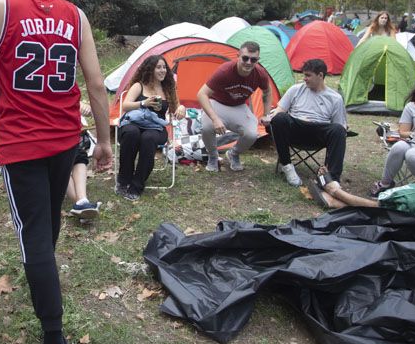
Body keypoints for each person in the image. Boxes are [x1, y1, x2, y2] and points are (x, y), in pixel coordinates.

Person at [0, 0, 112, 344]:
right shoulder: (77, 15)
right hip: (65, 140)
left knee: (36, 234)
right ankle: (44, 279)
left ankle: (54, 336)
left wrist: (7, 118)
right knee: (47, 222)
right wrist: (105, 141)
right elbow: (95, 85)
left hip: (22, 144)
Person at [265, 58, 348, 187]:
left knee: (338, 130)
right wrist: (269, 119)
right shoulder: (296, 89)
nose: (304, 78)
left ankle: (332, 178)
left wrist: (340, 129)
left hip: (318, 134)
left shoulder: (335, 98)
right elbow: (280, 110)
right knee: (280, 118)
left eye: (308, 75)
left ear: (320, 75)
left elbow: (338, 125)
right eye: (304, 75)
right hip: (295, 131)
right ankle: (287, 166)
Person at [116, 55, 185, 200]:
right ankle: (124, 180)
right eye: (158, 67)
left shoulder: (168, 89)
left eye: (164, 67)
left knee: (148, 138)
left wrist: (181, 109)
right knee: (131, 133)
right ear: (150, 69)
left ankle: (136, 185)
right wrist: (143, 103)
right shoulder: (139, 86)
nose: (162, 71)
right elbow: (126, 105)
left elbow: (176, 108)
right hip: (133, 123)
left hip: (156, 127)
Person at [196, 41, 272, 173]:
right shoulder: (225, 71)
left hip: (239, 106)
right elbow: (202, 94)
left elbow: (267, 92)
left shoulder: (260, 74)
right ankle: (213, 156)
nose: (248, 62)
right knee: (207, 127)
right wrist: (215, 119)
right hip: (218, 103)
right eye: (245, 58)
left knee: (252, 134)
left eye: (253, 59)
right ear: (238, 56)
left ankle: (233, 153)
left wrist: (266, 114)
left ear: (257, 60)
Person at [66, 103, 101, 220]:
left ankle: (82, 201)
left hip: (66, 133)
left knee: (78, 154)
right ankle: (81, 204)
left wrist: (82, 106)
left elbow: (71, 100)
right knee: (60, 162)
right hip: (40, 136)